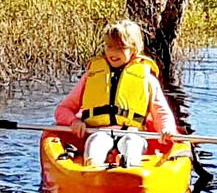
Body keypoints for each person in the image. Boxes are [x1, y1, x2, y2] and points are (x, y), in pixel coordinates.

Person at [54, 19, 179, 168]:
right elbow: (63, 110)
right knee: (96, 145)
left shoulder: (147, 79)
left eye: (121, 48)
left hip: (134, 133)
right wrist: (74, 122)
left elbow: (161, 113)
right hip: (97, 131)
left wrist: (167, 129)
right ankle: (93, 171)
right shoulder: (91, 76)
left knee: (131, 145)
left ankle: (128, 167)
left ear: (134, 49)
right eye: (109, 46)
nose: (113, 52)